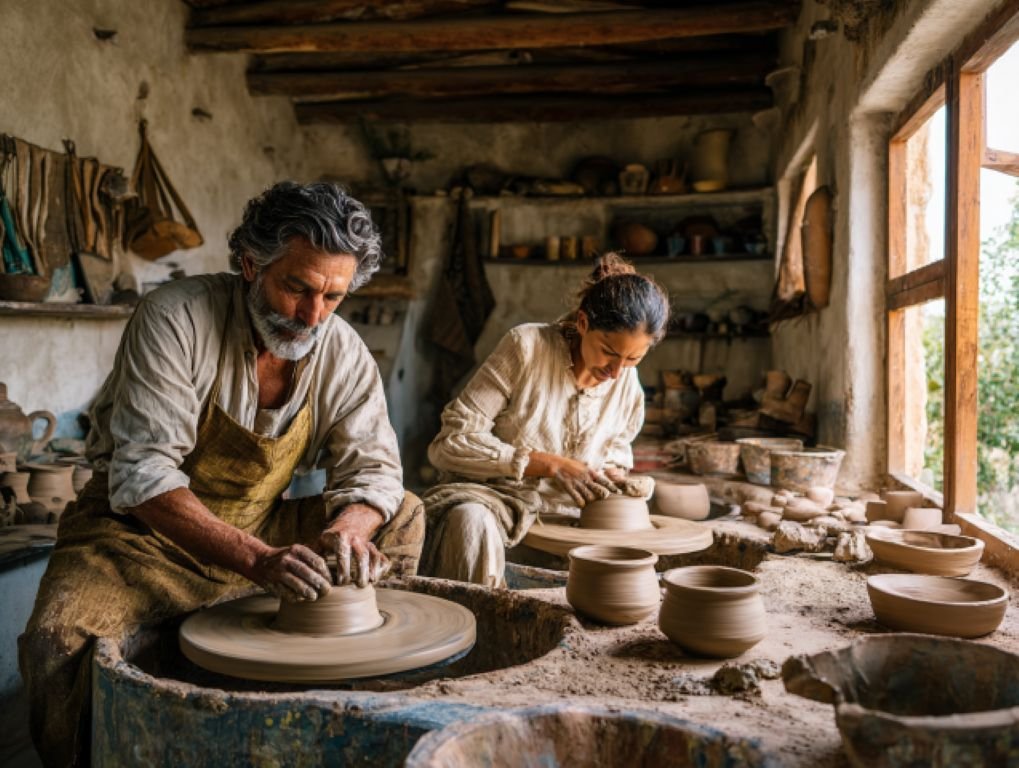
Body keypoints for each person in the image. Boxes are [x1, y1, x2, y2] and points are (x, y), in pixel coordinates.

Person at [19, 181, 424, 767]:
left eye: (333, 297)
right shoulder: (176, 318)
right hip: (139, 537)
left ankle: (365, 707)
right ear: (250, 263)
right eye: (297, 288)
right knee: (55, 641)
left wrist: (353, 530)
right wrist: (257, 561)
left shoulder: (342, 349)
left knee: (402, 512)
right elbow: (143, 475)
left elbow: (375, 468)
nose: (313, 316)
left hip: (261, 524)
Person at [420, 253, 669, 587]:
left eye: (633, 359)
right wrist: (545, 463)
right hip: (498, 505)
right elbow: (449, 443)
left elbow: (614, 456)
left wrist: (613, 477)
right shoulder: (526, 348)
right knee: (469, 520)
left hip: (572, 523)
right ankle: (477, 628)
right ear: (583, 324)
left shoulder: (628, 387)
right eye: (609, 352)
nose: (616, 371)